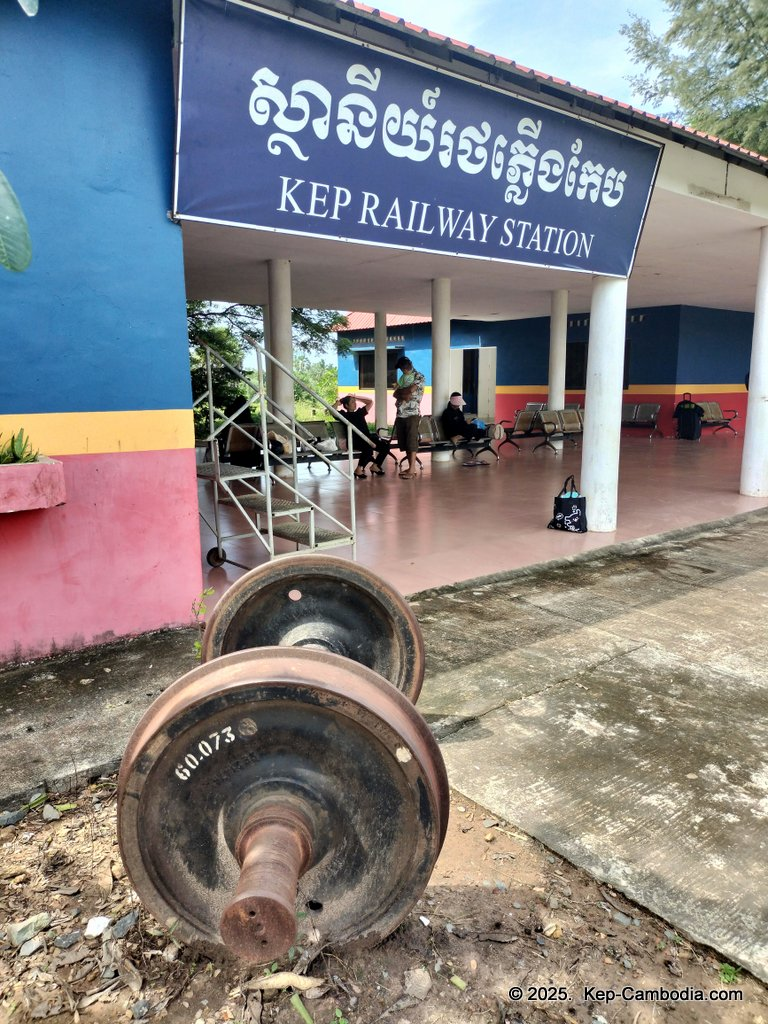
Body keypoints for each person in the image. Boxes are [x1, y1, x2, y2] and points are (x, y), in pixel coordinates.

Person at [336, 393, 390, 478]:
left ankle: (375, 466)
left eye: (355, 402)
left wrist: (356, 397)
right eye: (352, 402)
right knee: (368, 447)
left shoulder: (359, 413)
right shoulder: (344, 415)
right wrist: (339, 402)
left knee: (385, 446)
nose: (355, 403)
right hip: (355, 441)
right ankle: (358, 469)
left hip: (367, 438)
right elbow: (331, 410)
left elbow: (370, 402)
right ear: (346, 405)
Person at [393, 355, 425, 479]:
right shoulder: (402, 378)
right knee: (405, 441)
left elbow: (410, 390)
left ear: (410, 364)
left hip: (412, 413)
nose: (404, 370)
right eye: (402, 368)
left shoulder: (419, 376)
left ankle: (412, 469)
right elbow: (396, 393)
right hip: (401, 413)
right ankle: (410, 466)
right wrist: (403, 394)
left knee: (412, 440)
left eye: (405, 367)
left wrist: (403, 393)